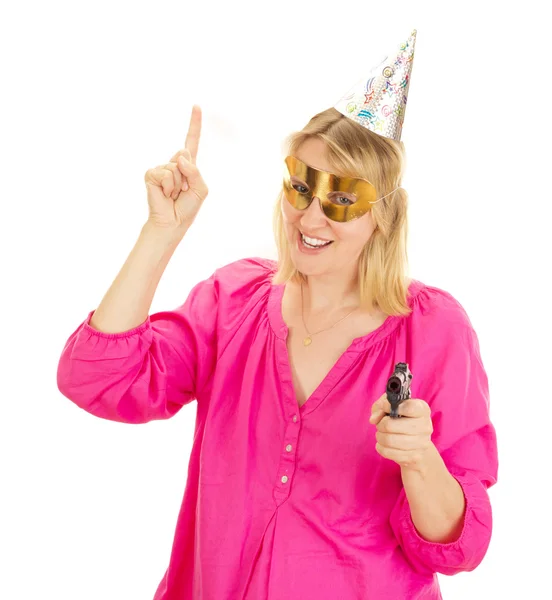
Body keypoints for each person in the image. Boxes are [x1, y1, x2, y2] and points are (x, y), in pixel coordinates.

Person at [57, 31, 498, 600]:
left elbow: (455, 545)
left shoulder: (435, 331)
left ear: (382, 216)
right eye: (300, 186)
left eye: (342, 198)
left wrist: (419, 460)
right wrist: (161, 233)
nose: (311, 216)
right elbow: (95, 376)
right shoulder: (234, 302)